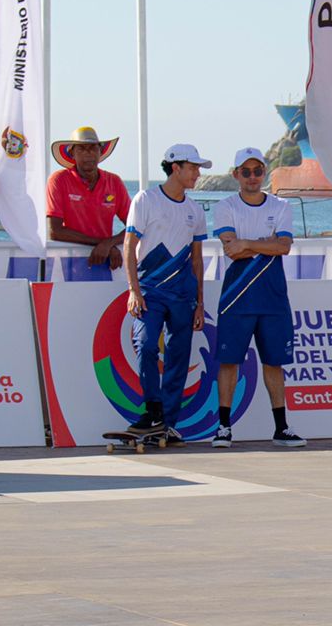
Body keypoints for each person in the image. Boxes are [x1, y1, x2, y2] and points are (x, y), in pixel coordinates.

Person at [210, 148, 305, 449]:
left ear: (264, 172)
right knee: (229, 362)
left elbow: (285, 247)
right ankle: (223, 428)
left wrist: (248, 242)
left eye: (258, 171)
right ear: (236, 174)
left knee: (274, 363)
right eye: (246, 172)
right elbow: (230, 249)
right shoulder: (225, 206)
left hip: (272, 296)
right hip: (236, 296)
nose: (253, 177)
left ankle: (281, 428)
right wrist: (268, 243)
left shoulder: (281, 205)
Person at [122, 145, 210, 441]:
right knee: (146, 345)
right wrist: (133, 290)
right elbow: (128, 247)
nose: (198, 173)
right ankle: (153, 410)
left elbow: (197, 260)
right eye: (194, 167)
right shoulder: (146, 199)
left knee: (178, 356)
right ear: (176, 167)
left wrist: (200, 304)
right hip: (150, 289)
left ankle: (168, 423)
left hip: (183, 293)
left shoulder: (195, 210)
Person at [46, 125, 130, 268]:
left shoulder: (114, 182)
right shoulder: (59, 180)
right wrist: (102, 244)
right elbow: (54, 231)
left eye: (93, 148)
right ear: (72, 153)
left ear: (100, 151)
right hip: (66, 263)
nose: (88, 154)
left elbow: (135, 225)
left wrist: (109, 243)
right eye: (81, 149)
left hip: (105, 263)